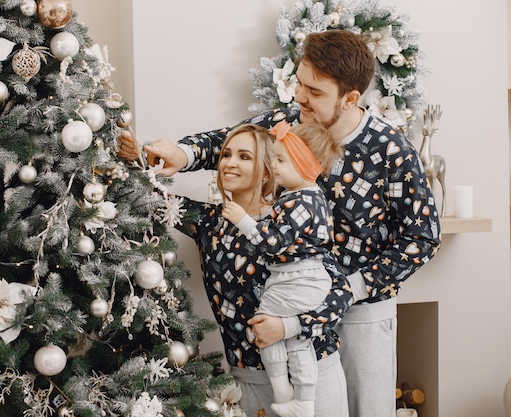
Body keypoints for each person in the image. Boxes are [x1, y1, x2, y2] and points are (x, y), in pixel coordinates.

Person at [119, 29, 441, 417]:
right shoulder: (287, 124)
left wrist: (352, 289)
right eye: (300, 84)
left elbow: (422, 239)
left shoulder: (392, 150)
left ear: (351, 98)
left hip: (359, 311)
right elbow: (228, 142)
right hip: (289, 303)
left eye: (315, 92)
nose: (300, 97)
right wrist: (182, 153)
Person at [172, 123, 350, 417]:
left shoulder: (293, 220)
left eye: (244, 156)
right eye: (226, 154)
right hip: (248, 379)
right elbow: (151, 200)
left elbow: (340, 295)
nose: (229, 162)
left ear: (268, 170)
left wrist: (288, 327)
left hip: (312, 378)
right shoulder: (209, 222)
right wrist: (141, 157)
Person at [221, 120, 343, 417]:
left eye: (280, 160)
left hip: (300, 283)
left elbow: (274, 243)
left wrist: (243, 221)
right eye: (226, 154)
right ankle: (289, 395)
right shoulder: (292, 200)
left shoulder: (302, 202)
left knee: (279, 330)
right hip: (247, 371)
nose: (273, 166)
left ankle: (293, 395)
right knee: (278, 332)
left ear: (304, 164)